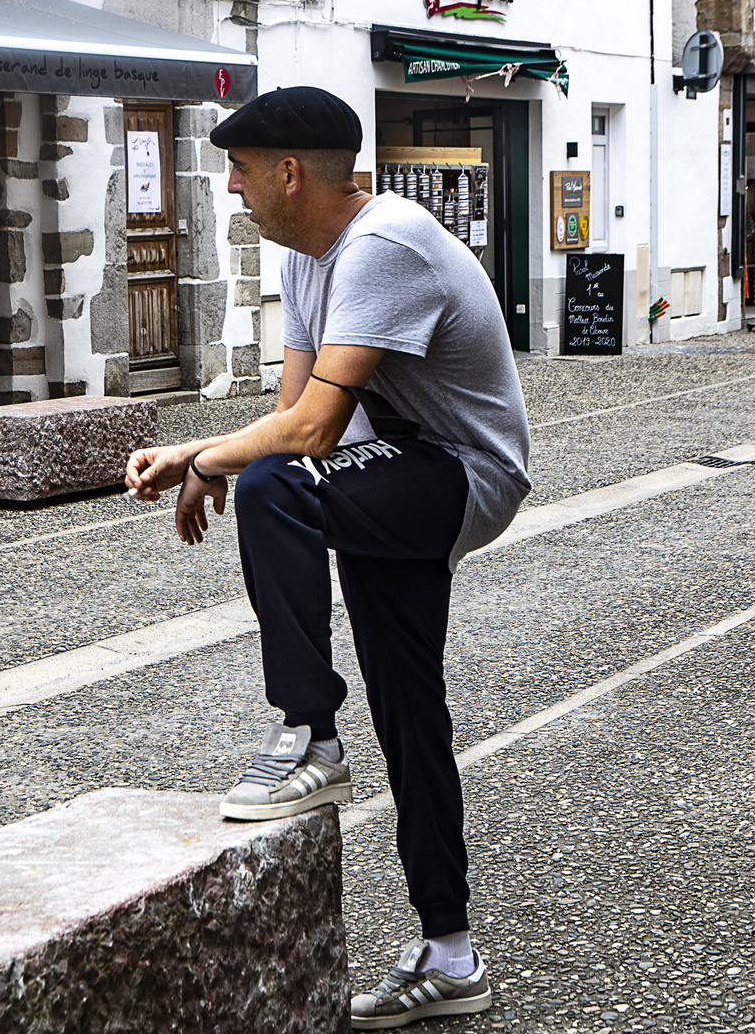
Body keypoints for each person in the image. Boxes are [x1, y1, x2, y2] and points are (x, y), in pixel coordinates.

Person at [124, 87, 530, 1031]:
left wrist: (208, 460)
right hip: (393, 473)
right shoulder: (307, 260)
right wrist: (210, 455)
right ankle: (450, 952)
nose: (231, 188)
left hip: (463, 474)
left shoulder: (382, 245)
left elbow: (307, 436)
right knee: (409, 704)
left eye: (239, 169)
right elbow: (293, 417)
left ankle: (309, 732)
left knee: (275, 489)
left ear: (289, 172)